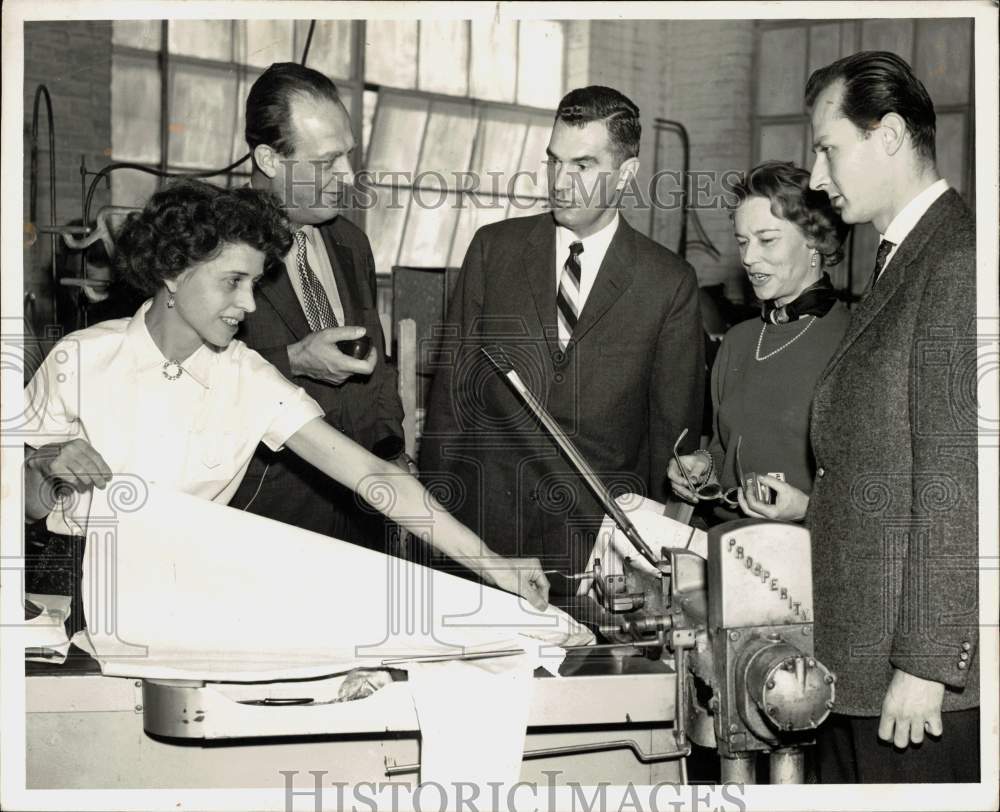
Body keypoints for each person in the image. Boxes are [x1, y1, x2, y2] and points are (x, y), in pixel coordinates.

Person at [22, 181, 550, 626]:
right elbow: (19, 503)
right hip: (72, 593)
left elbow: (373, 475)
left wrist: (496, 567)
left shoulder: (247, 376)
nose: (248, 304)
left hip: (185, 595)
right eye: (233, 282)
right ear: (173, 274)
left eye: (254, 283)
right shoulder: (82, 357)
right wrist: (45, 466)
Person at [420, 86, 704, 583]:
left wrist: (646, 558)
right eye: (554, 162)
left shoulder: (668, 283)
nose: (560, 182)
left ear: (627, 174)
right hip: (488, 534)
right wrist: (435, 521)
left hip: (597, 546)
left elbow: (670, 437)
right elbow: (450, 398)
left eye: (583, 165)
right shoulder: (494, 250)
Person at [805, 51, 978, 782]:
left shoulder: (956, 260)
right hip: (860, 662)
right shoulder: (901, 260)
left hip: (910, 689)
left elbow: (957, 476)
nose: (817, 177)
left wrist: (928, 662)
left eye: (827, 149)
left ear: (890, 135)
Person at [228, 62, 410, 548]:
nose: (348, 176)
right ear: (269, 159)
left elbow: (379, 364)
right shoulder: (213, 244)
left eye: (347, 156)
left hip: (363, 519)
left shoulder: (352, 242)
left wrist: (391, 452)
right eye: (327, 162)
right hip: (268, 522)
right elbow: (182, 378)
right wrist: (293, 361)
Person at [666, 161, 849, 525]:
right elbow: (724, 449)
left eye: (767, 240)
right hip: (725, 543)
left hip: (808, 558)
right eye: (743, 242)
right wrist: (703, 467)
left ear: (814, 240)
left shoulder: (853, 342)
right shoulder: (738, 340)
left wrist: (807, 508)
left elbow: (873, 495)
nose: (749, 258)